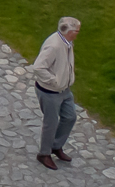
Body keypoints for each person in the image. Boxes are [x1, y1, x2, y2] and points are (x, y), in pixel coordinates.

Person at [32, 16, 80, 170]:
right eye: (77, 31)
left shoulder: (67, 42)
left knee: (70, 117)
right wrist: (55, 81)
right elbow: (39, 67)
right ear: (70, 32)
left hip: (64, 90)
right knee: (50, 123)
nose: (78, 34)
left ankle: (56, 146)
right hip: (50, 92)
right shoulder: (54, 46)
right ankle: (44, 154)